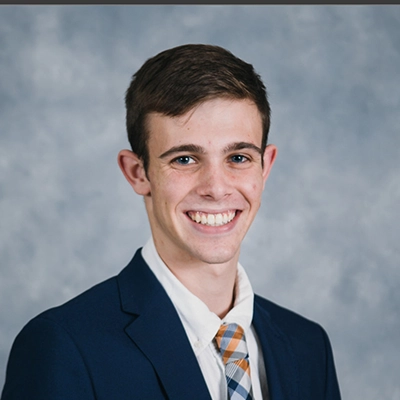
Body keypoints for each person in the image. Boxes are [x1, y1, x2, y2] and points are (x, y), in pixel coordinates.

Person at [1, 44, 341, 400]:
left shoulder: (307, 346)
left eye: (238, 157)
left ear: (265, 166)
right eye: (184, 159)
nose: (216, 188)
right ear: (138, 173)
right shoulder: (64, 348)